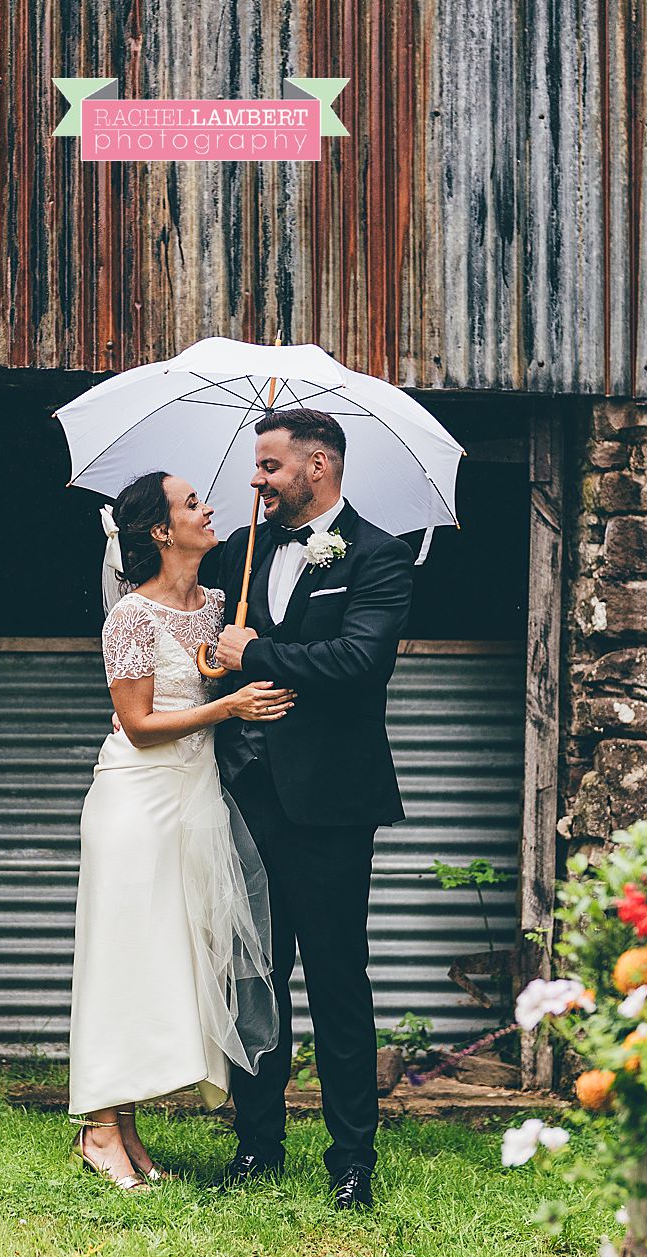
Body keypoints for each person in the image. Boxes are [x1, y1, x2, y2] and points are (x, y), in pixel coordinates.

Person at [207, 406, 413, 1212]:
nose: (255, 480)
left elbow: (359, 660)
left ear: (317, 465)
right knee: (253, 976)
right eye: (258, 466)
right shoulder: (240, 551)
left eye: (269, 467)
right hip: (245, 795)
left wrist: (254, 652)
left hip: (330, 802)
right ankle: (257, 1145)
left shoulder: (378, 557)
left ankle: (352, 1159)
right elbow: (201, 639)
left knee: (336, 979)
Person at [67, 471, 292, 1190]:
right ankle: (98, 1129)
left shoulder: (224, 604)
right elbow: (136, 725)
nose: (208, 508)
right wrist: (228, 710)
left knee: (165, 956)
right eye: (192, 503)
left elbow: (224, 665)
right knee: (122, 955)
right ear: (161, 532)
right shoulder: (130, 616)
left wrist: (243, 647)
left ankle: (126, 1126)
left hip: (198, 800)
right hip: (137, 802)